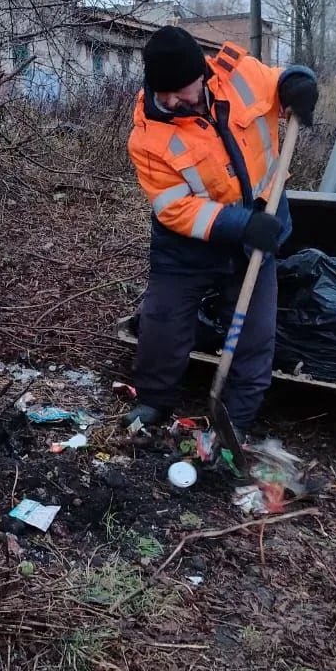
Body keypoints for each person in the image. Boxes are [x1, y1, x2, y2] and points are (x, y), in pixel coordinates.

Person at [124, 26, 317, 436]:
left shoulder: (240, 75)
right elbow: (175, 208)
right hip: (189, 245)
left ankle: (233, 422)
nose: (174, 100)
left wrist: (299, 83)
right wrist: (240, 224)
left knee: (253, 335)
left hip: (261, 228)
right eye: (165, 93)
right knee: (162, 322)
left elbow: (283, 81)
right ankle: (154, 400)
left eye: (182, 89)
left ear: (203, 74)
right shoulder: (147, 136)